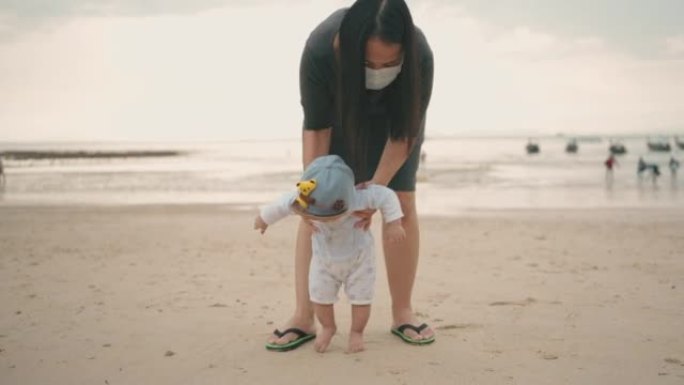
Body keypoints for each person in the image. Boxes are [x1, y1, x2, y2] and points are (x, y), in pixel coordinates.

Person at [267, 0, 435, 351]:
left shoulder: (420, 54)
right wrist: (312, 192)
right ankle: (303, 315)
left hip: (393, 122)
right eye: (370, 63)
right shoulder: (321, 49)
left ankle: (402, 311)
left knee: (402, 202)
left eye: (390, 63)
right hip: (340, 117)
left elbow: (405, 133)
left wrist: (376, 191)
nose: (380, 70)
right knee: (313, 207)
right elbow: (316, 128)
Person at [255, 155, 406, 353]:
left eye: (329, 216)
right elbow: (281, 205)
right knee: (319, 298)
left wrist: (394, 222)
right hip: (323, 261)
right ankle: (328, 326)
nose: (324, 221)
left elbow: (386, 196)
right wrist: (264, 219)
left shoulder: (360, 196)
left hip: (359, 260)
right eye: (317, 216)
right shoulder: (304, 198)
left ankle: (357, 332)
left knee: (362, 300)